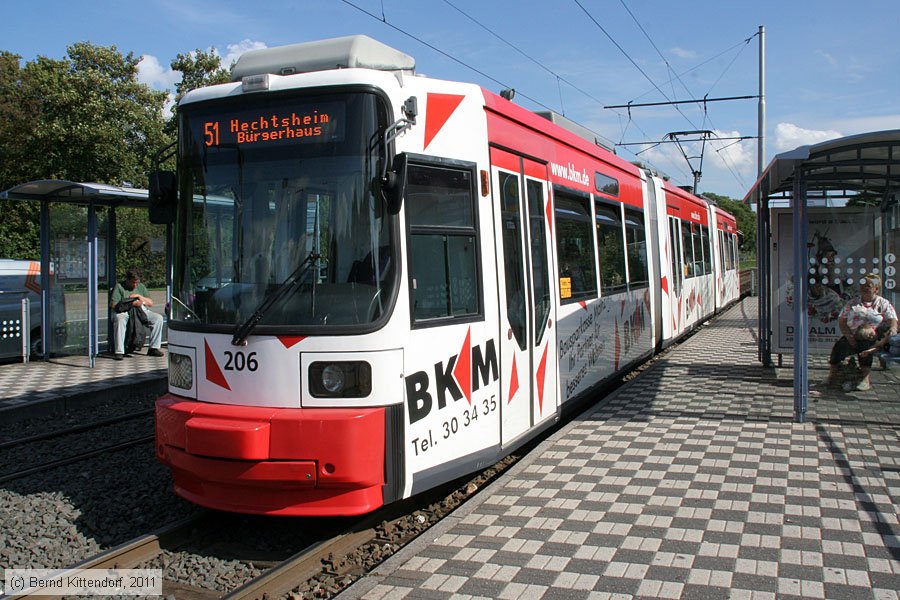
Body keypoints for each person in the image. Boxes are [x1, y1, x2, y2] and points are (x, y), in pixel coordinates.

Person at [826, 273, 897, 391]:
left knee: (865, 348)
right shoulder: (853, 303)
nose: (864, 288)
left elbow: (892, 319)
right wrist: (849, 336)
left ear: (876, 289)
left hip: (871, 337)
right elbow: (842, 320)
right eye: (863, 285)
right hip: (853, 335)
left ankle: (865, 378)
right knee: (839, 347)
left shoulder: (882, 303)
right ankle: (832, 375)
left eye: (868, 286)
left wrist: (893, 328)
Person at [111, 271, 164, 360]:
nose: (135, 285)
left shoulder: (141, 286)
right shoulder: (119, 286)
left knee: (158, 318)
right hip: (125, 310)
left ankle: (154, 348)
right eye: (133, 282)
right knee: (120, 319)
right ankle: (119, 351)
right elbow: (114, 305)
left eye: (136, 282)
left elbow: (150, 303)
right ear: (127, 280)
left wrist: (140, 297)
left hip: (140, 310)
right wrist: (131, 303)